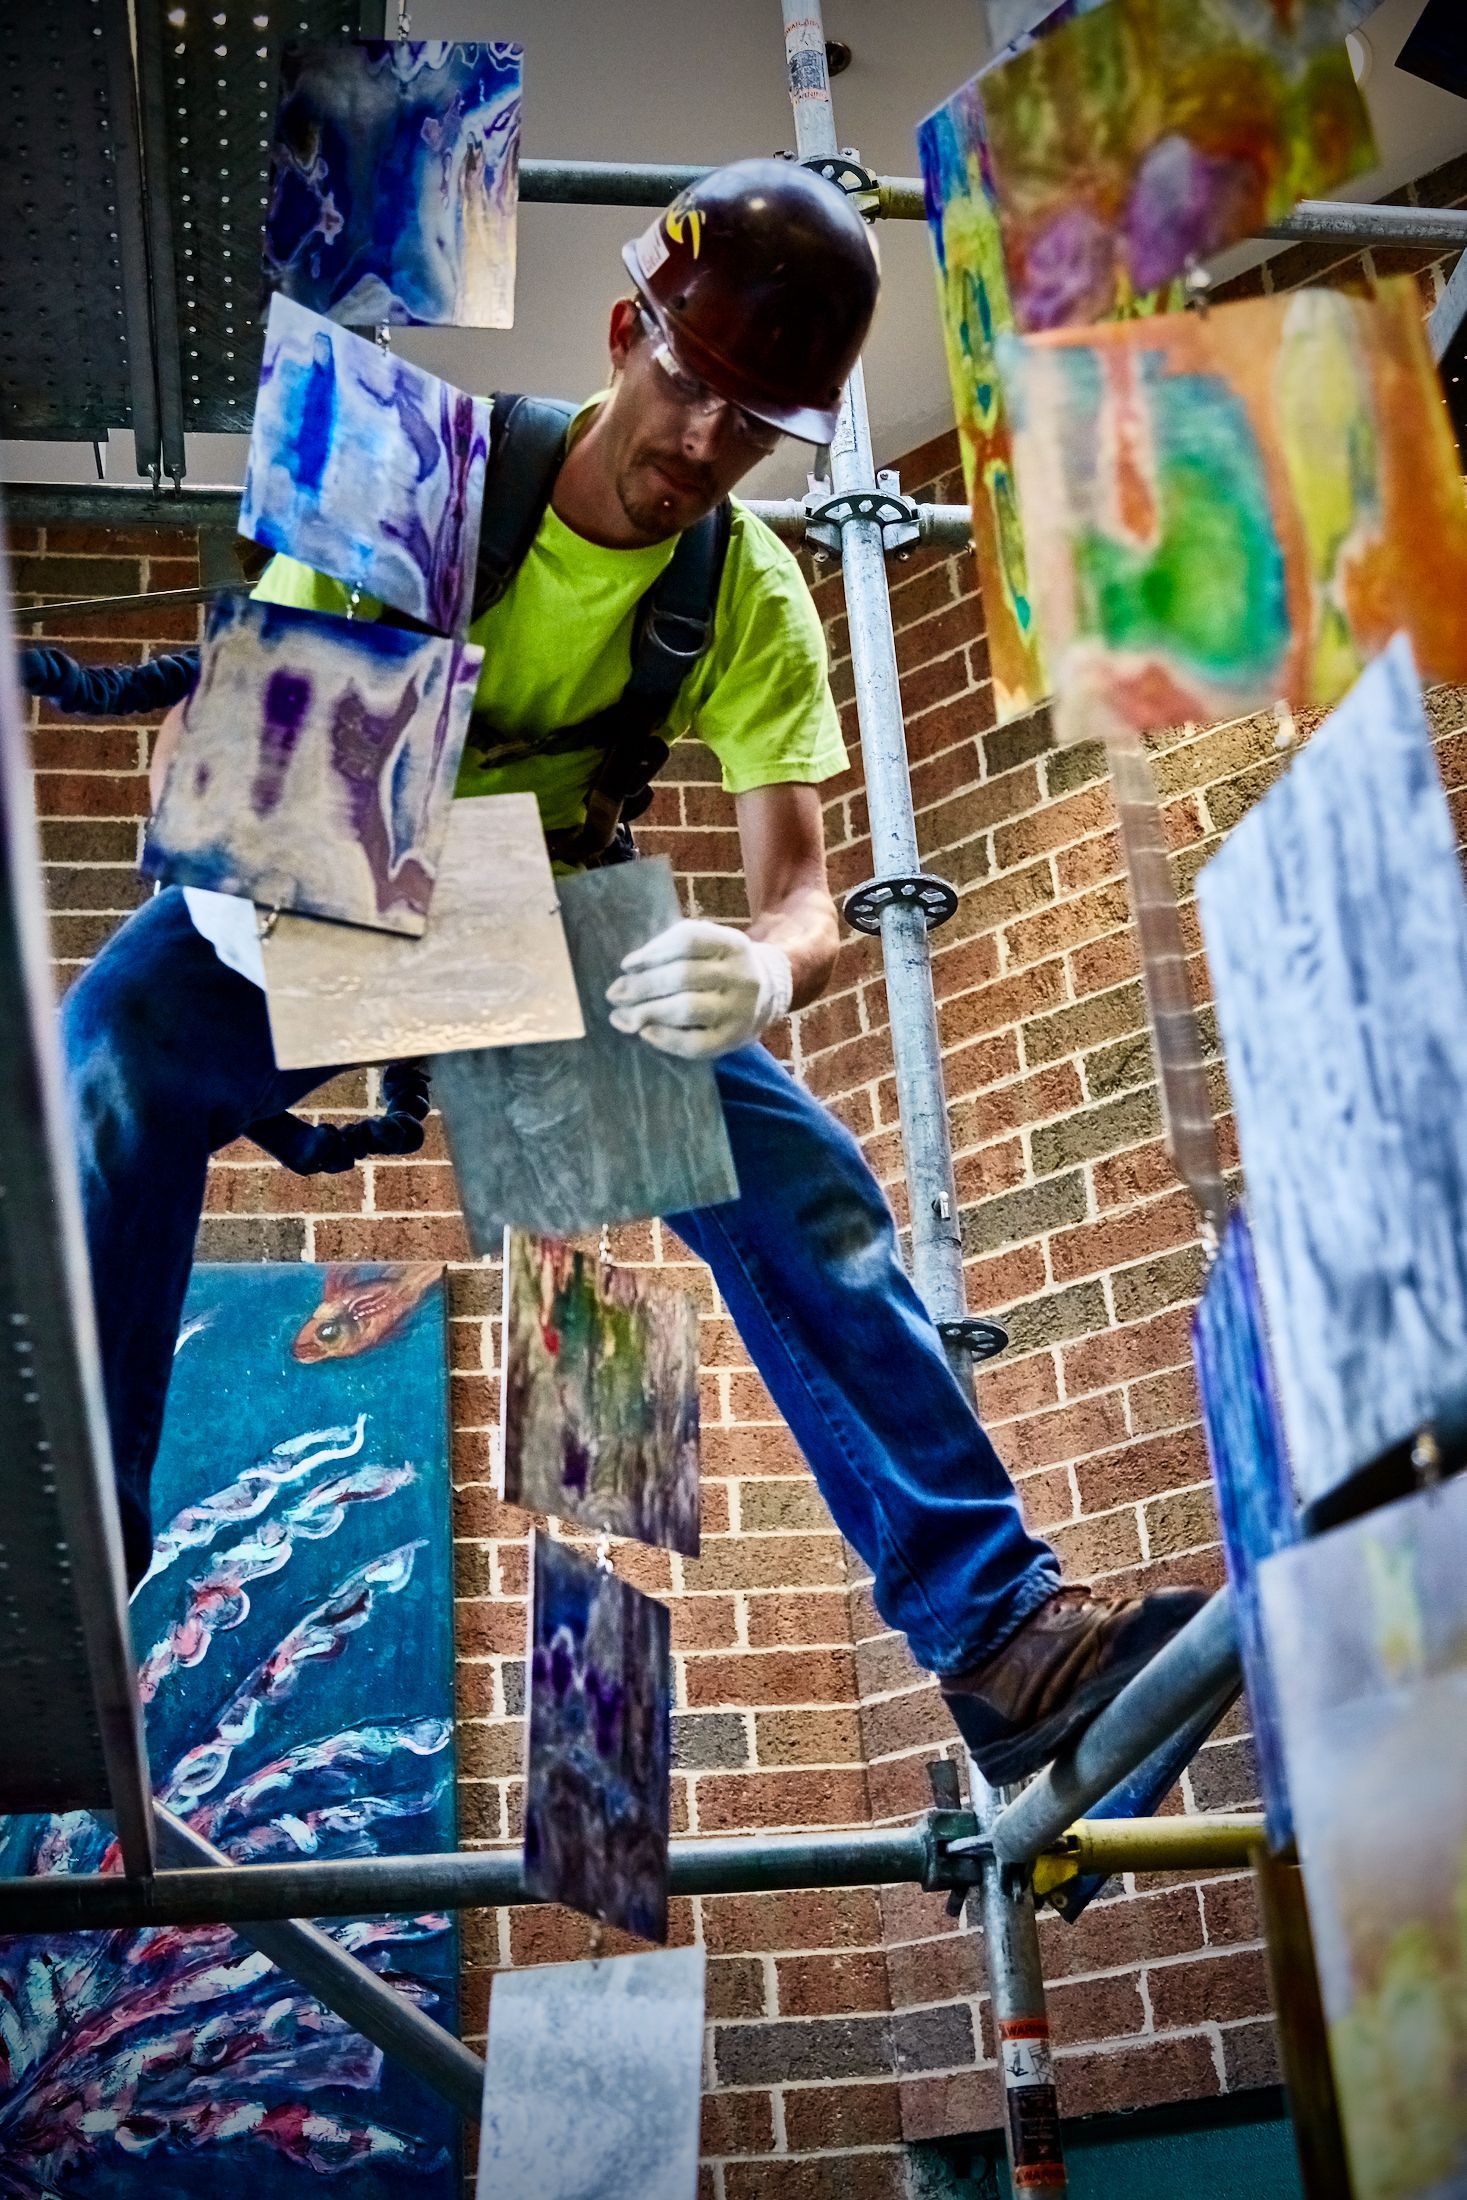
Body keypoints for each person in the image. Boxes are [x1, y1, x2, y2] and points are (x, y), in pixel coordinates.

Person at [61, 158, 1203, 1786]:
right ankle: (61, 1571)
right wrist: (235, 848)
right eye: (689, 388)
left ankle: (1000, 1638)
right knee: (103, 1059)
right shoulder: (416, 482)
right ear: (622, 334)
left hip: (545, 919)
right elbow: (269, 774)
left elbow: (803, 887)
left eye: (757, 426)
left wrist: (770, 965)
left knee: (793, 1170)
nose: (703, 447)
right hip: (321, 884)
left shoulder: (746, 590)